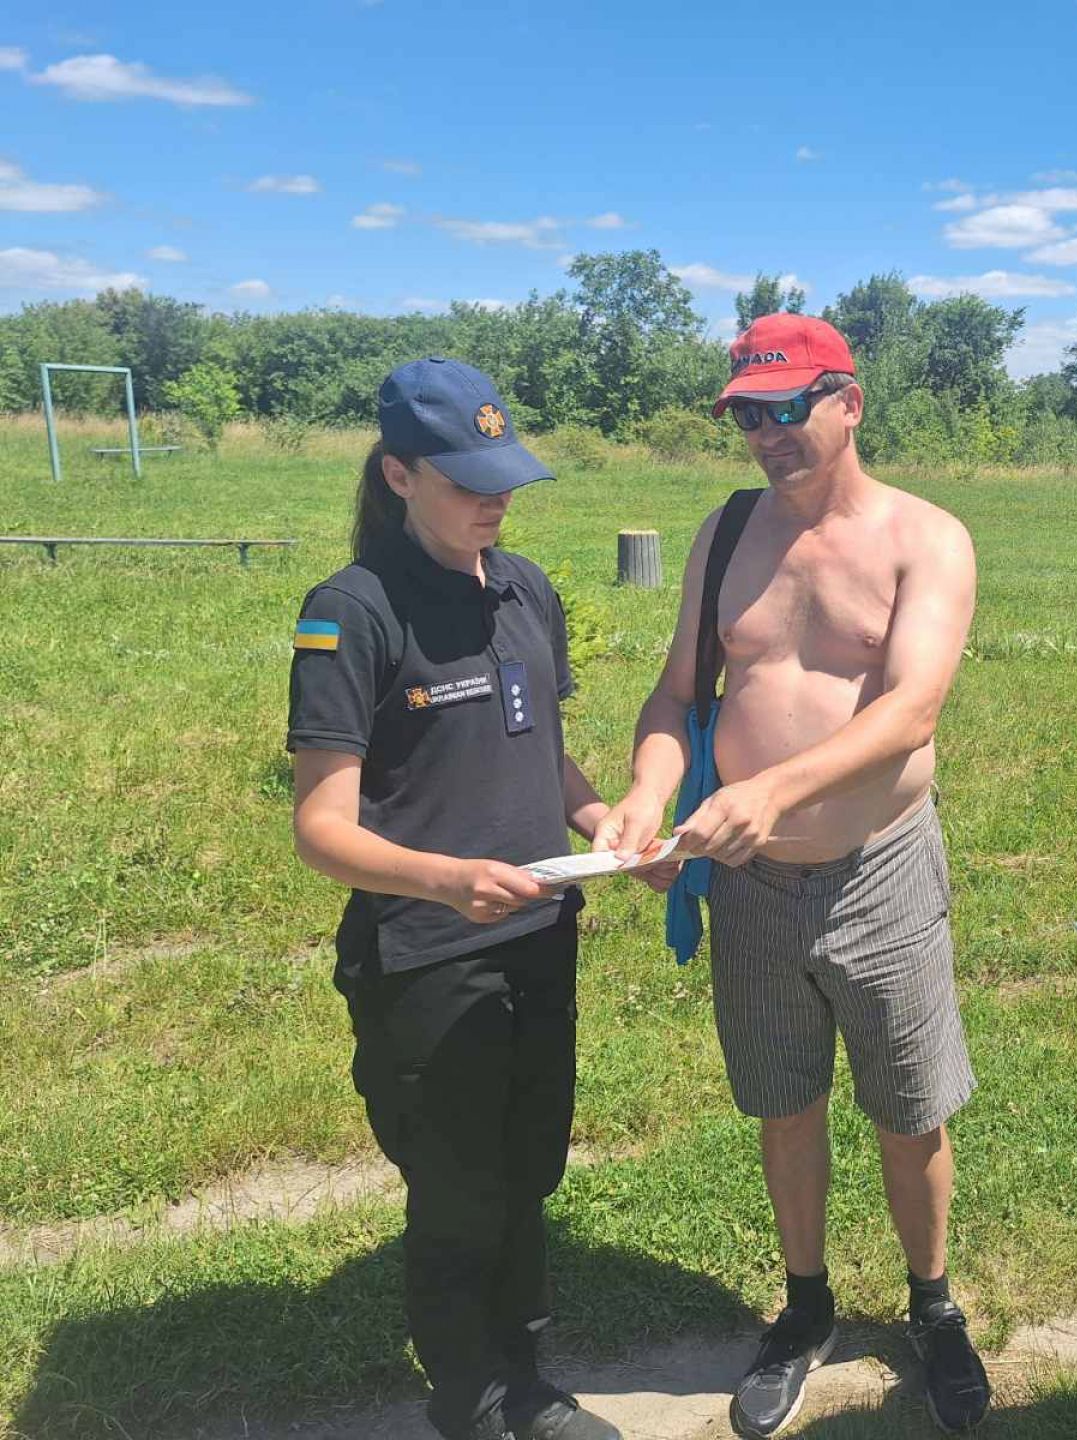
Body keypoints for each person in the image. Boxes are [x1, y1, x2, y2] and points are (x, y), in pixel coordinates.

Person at [594, 313, 992, 1437]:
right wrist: (647, 788)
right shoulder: (727, 534)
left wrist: (769, 791)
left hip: (879, 870)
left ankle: (933, 1305)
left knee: (910, 1108)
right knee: (784, 1101)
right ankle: (806, 1306)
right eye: (747, 418)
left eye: (788, 409)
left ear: (849, 403)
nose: (768, 434)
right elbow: (678, 693)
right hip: (752, 883)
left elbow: (912, 710)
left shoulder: (926, 538)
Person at [288, 358, 620, 1440]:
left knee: (528, 1167)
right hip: (429, 951)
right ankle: (469, 1392)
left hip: (540, 932)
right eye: (469, 480)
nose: (496, 498)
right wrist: (447, 880)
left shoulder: (525, 588)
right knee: (458, 1184)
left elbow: (540, 750)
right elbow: (322, 829)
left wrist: (603, 823)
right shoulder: (352, 611)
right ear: (399, 475)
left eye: (505, 476)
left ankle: (526, 1373)